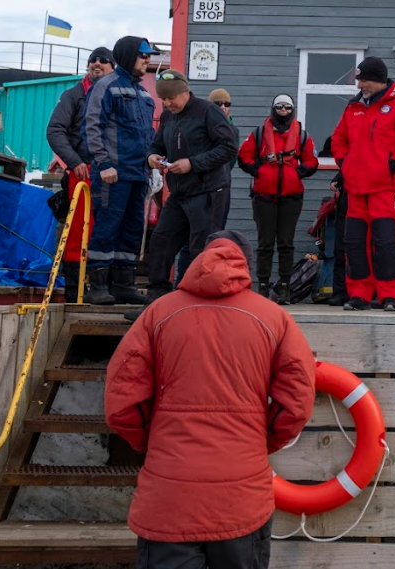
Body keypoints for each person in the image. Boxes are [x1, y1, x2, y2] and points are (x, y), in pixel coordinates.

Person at [104, 231, 315, 569]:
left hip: (169, 499)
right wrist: (259, 441)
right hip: (241, 499)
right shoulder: (273, 318)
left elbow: (122, 401)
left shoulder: (158, 313)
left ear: (198, 259)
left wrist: (155, 441)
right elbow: (297, 401)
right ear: (246, 263)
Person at [138, 70, 239, 315]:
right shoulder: (168, 116)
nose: (167, 103)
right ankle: (156, 299)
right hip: (180, 192)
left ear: (185, 92)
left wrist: (193, 163)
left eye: (171, 98)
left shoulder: (208, 111)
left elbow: (229, 147)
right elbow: (157, 144)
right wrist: (152, 157)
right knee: (161, 240)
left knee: (200, 248)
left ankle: (196, 304)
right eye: (163, 99)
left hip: (208, 191)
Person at [330, 56, 395, 312]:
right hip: (356, 188)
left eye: (363, 80)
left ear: (378, 80)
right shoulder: (353, 108)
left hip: (385, 188)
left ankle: (393, 295)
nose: (359, 85)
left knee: (386, 242)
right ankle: (359, 294)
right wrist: (345, 163)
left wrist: (393, 166)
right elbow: (338, 139)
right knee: (355, 243)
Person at [81, 37, 157, 305]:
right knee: (107, 227)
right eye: (143, 55)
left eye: (148, 55)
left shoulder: (144, 94)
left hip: (138, 174)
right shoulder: (106, 86)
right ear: (127, 55)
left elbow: (148, 134)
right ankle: (97, 286)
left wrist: (152, 164)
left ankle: (123, 284)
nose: (147, 59)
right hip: (112, 174)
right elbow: (92, 126)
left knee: (132, 229)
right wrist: (103, 164)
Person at [46, 46, 113, 299]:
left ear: (113, 67)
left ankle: (103, 288)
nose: (97, 63)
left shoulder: (117, 96)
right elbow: (55, 130)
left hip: (112, 175)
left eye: (103, 60)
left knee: (108, 230)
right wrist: (74, 162)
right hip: (82, 174)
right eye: (93, 60)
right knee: (77, 232)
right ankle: (75, 293)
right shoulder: (73, 96)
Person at [238, 94, 319, 297]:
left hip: (291, 197)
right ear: (273, 108)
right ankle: (263, 287)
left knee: (286, 244)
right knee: (265, 244)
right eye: (279, 106)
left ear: (293, 109)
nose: (283, 110)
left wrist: (297, 173)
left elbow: (312, 161)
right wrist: (259, 171)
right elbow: (244, 156)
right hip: (263, 196)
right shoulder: (259, 134)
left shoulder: (301, 136)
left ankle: (285, 288)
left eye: (287, 107)